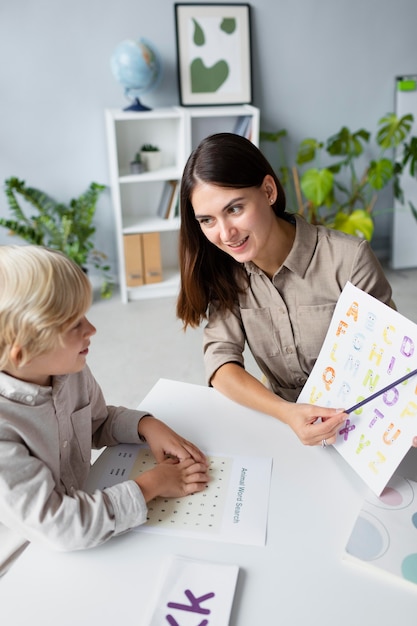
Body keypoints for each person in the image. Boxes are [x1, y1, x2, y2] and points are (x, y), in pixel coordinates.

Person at [0, 245, 209, 577]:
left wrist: (146, 425)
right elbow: (60, 526)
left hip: (87, 528)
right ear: (22, 353)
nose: (92, 329)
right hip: (24, 567)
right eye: (73, 325)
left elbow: (95, 422)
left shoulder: (68, 367)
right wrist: (151, 485)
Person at [176, 132, 395, 448]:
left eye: (235, 209)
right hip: (282, 422)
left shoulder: (349, 259)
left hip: (358, 419)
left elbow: (391, 356)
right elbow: (221, 363)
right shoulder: (227, 272)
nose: (225, 233)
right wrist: (286, 412)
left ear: (267, 191)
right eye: (208, 220)